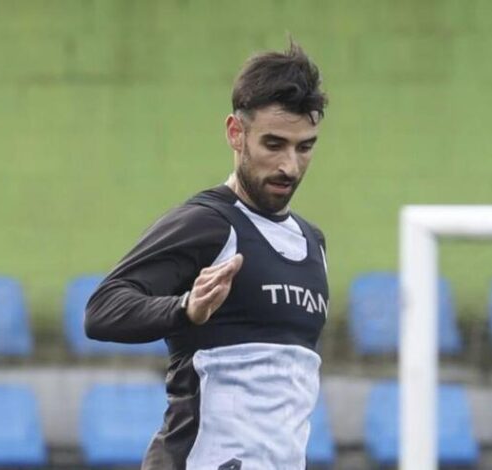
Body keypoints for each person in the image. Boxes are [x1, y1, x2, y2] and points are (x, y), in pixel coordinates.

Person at [84, 41, 329, 470]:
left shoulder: (313, 243)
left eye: (304, 147)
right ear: (236, 133)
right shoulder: (209, 224)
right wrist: (185, 308)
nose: (289, 166)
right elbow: (101, 309)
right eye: (274, 144)